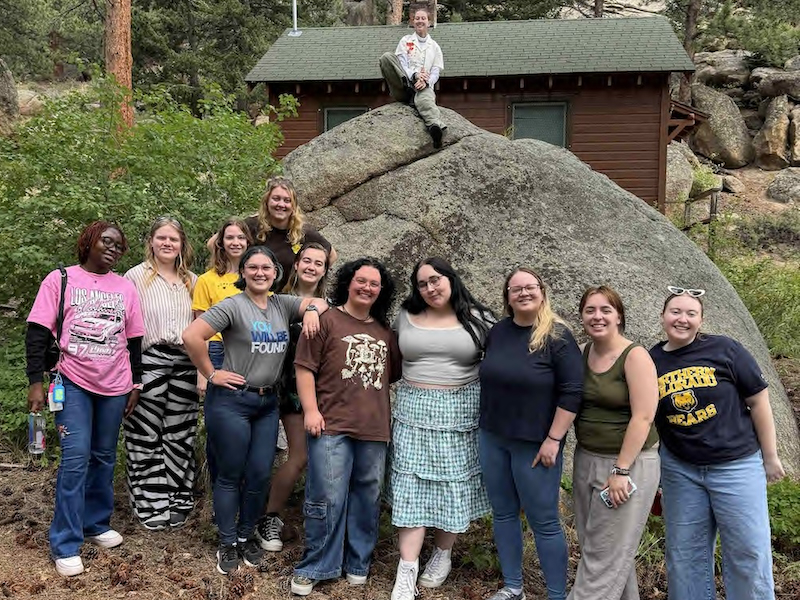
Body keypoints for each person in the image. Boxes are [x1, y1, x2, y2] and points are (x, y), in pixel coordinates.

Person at [182, 245, 327, 575]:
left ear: (276, 273)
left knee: (260, 473)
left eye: (266, 268)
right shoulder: (234, 305)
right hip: (232, 401)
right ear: (243, 273)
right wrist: (211, 372)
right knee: (231, 474)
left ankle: (247, 536)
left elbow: (319, 301)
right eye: (253, 268)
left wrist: (310, 312)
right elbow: (192, 335)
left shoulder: (280, 303)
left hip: (266, 404)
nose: (260, 273)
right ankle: (227, 541)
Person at [25, 221, 145, 577]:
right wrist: (35, 382)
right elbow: (37, 333)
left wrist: (136, 383)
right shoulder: (60, 279)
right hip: (71, 381)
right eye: (106, 241)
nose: (113, 248)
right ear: (88, 242)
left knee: (105, 456)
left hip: (116, 384)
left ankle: (95, 523)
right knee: (75, 459)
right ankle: (65, 541)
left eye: (119, 246)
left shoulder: (125, 287)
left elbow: (134, 340)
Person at [650, 286, 785, 600]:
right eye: (675, 312)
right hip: (681, 470)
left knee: (749, 551)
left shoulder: (726, 350)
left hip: (736, 465)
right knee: (684, 557)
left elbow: (759, 401)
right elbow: (644, 416)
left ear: (701, 320)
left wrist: (771, 455)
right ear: (662, 317)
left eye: (691, 313)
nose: (682, 319)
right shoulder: (651, 360)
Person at [291, 258, 401, 596]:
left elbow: (391, 374)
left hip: (374, 428)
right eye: (361, 280)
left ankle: (358, 562)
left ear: (381, 291)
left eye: (374, 283)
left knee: (368, 496)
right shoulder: (325, 320)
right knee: (327, 495)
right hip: (330, 424)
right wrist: (310, 410)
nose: (366, 287)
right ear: (348, 283)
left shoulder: (385, 332)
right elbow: (304, 368)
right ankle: (317, 564)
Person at [389, 257, 494, 600]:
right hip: (412, 410)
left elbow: (505, 360)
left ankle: (443, 553)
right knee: (410, 485)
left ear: (451, 278)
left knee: (452, 484)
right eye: (422, 284)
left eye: (435, 280)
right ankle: (407, 570)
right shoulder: (405, 315)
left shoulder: (479, 318)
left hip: (461, 412)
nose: (430, 288)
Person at [478, 268, 583, 600]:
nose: (523, 293)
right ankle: (513, 587)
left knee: (545, 521)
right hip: (493, 437)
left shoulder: (558, 336)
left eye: (530, 287)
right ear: (507, 297)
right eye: (515, 288)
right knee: (504, 513)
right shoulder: (498, 332)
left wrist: (554, 439)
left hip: (536, 445)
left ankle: (556, 594)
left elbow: (572, 393)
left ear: (542, 291)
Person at [568, 286, 660, 600]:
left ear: (618, 316)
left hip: (627, 465)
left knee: (602, 557)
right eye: (590, 310)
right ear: (581, 316)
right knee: (600, 548)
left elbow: (644, 417)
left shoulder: (635, 356)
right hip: (586, 459)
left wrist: (621, 471)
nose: (597, 316)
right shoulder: (581, 352)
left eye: (606, 310)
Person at [123, 217, 199, 531]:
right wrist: (130, 373)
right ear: (151, 242)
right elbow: (126, 325)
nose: (168, 244)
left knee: (180, 434)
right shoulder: (135, 277)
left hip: (185, 362)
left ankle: (179, 498)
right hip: (148, 358)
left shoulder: (192, 280)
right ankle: (148, 501)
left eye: (174, 239)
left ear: (182, 245)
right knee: (144, 433)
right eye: (162, 238)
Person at [256, 242, 331, 552]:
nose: (312, 267)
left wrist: (315, 308)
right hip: (286, 386)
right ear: (297, 264)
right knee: (297, 456)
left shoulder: (331, 305)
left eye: (319, 263)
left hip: (324, 389)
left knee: (323, 460)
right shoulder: (275, 301)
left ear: (326, 270)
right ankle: (268, 517)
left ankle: (319, 522)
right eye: (307, 261)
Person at [192, 218, 252, 488]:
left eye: (241, 237)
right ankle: (220, 493)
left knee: (249, 425)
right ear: (220, 243)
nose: (236, 242)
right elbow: (197, 330)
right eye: (230, 237)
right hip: (217, 352)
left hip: (252, 353)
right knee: (220, 428)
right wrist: (203, 373)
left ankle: (244, 492)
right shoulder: (207, 280)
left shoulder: (258, 273)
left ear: (249, 241)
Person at [207, 176, 336, 290]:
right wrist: (234, 270)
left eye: (287, 200)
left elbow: (331, 256)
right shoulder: (252, 225)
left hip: (287, 299)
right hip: (251, 296)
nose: (281, 204)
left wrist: (308, 282)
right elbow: (213, 243)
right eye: (276, 199)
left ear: (294, 206)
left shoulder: (304, 232)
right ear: (267, 201)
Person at [379, 8, 445, 148]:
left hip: (422, 86)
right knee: (386, 57)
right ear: (413, 22)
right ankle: (410, 93)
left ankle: (435, 129)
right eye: (417, 18)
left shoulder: (435, 47)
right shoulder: (405, 41)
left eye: (423, 18)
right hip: (404, 84)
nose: (420, 21)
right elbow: (401, 64)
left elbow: (435, 72)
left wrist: (425, 81)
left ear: (429, 22)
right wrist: (414, 76)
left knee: (425, 100)